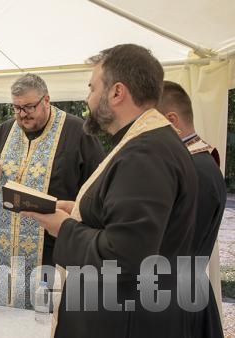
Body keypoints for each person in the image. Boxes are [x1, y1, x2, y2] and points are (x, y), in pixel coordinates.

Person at [24, 44, 198, 338]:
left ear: (117, 92)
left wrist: (63, 227)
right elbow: (125, 220)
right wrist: (78, 208)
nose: (87, 97)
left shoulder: (145, 154)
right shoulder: (148, 142)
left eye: (92, 88)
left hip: (122, 321)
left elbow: (124, 257)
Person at [0, 73, 105, 308]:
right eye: (16, 107)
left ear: (46, 100)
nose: (22, 114)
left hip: (51, 245)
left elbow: (97, 184)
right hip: (2, 241)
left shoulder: (77, 132)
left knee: (45, 314)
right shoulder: (5, 131)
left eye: (29, 107)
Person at [157, 80, 226, 337]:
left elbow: (173, 248)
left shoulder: (195, 170)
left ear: (172, 120)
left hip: (177, 302)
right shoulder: (195, 163)